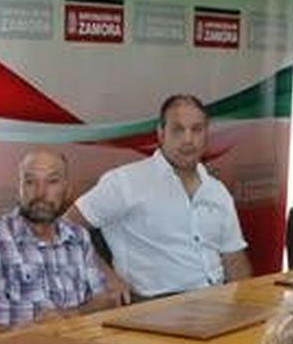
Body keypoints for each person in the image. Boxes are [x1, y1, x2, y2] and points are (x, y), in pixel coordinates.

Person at [70, 94, 252, 297]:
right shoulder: (126, 182)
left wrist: (246, 304)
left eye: (196, 130)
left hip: (217, 299)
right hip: (156, 307)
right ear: (161, 133)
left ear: (206, 134)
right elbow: (66, 226)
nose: (188, 139)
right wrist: (108, 278)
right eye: (178, 129)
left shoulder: (217, 191)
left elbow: (234, 259)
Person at [0, 149, 121, 336]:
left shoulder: (78, 237)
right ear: (19, 189)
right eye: (30, 182)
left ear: (67, 189)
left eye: (52, 182)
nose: (40, 192)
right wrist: (4, 333)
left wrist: (70, 314)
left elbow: (103, 299)